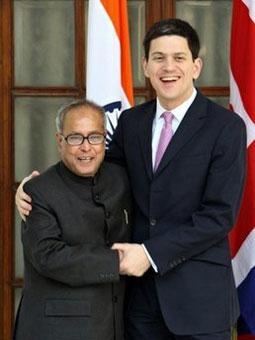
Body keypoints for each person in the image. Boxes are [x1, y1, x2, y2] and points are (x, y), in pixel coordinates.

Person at [16, 18, 246, 340]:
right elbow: (95, 172)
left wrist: (149, 255)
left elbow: (219, 216)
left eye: (178, 58)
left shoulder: (226, 128)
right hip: (138, 302)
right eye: (158, 58)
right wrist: (38, 190)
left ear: (196, 66)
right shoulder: (131, 122)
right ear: (145, 66)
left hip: (199, 302)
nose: (168, 67)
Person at [13, 99, 132, 340]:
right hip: (56, 331)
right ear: (60, 141)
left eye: (95, 137)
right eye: (75, 138)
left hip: (117, 326)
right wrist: (116, 262)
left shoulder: (122, 178)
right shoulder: (37, 191)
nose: (86, 147)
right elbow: (48, 256)